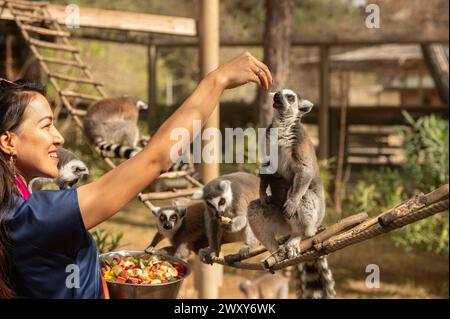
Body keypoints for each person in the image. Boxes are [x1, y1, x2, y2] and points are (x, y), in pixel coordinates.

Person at [0, 52, 272, 298]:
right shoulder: (33, 217)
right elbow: (157, 158)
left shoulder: (15, 204)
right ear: (8, 142)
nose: (58, 138)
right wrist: (217, 80)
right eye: (46, 126)